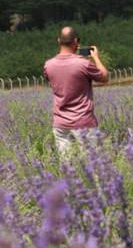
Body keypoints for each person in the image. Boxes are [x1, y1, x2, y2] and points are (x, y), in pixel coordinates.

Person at [43, 26, 109, 154]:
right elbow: (105, 77)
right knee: (93, 164)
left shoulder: (48, 65)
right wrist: (95, 57)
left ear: (58, 41)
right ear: (75, 41)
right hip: (84, 123)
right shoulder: (83, 64)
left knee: (67, 166)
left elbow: (50, 78)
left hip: (60, 124)